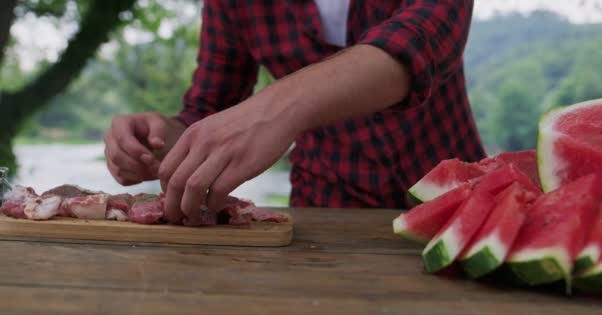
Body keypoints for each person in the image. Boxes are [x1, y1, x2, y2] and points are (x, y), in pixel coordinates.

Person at [104, 0, 485, 225]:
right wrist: (157, 140)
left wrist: (275, 109)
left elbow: (424, 40)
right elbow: (206, 111)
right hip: (325, 213)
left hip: (465, 197)